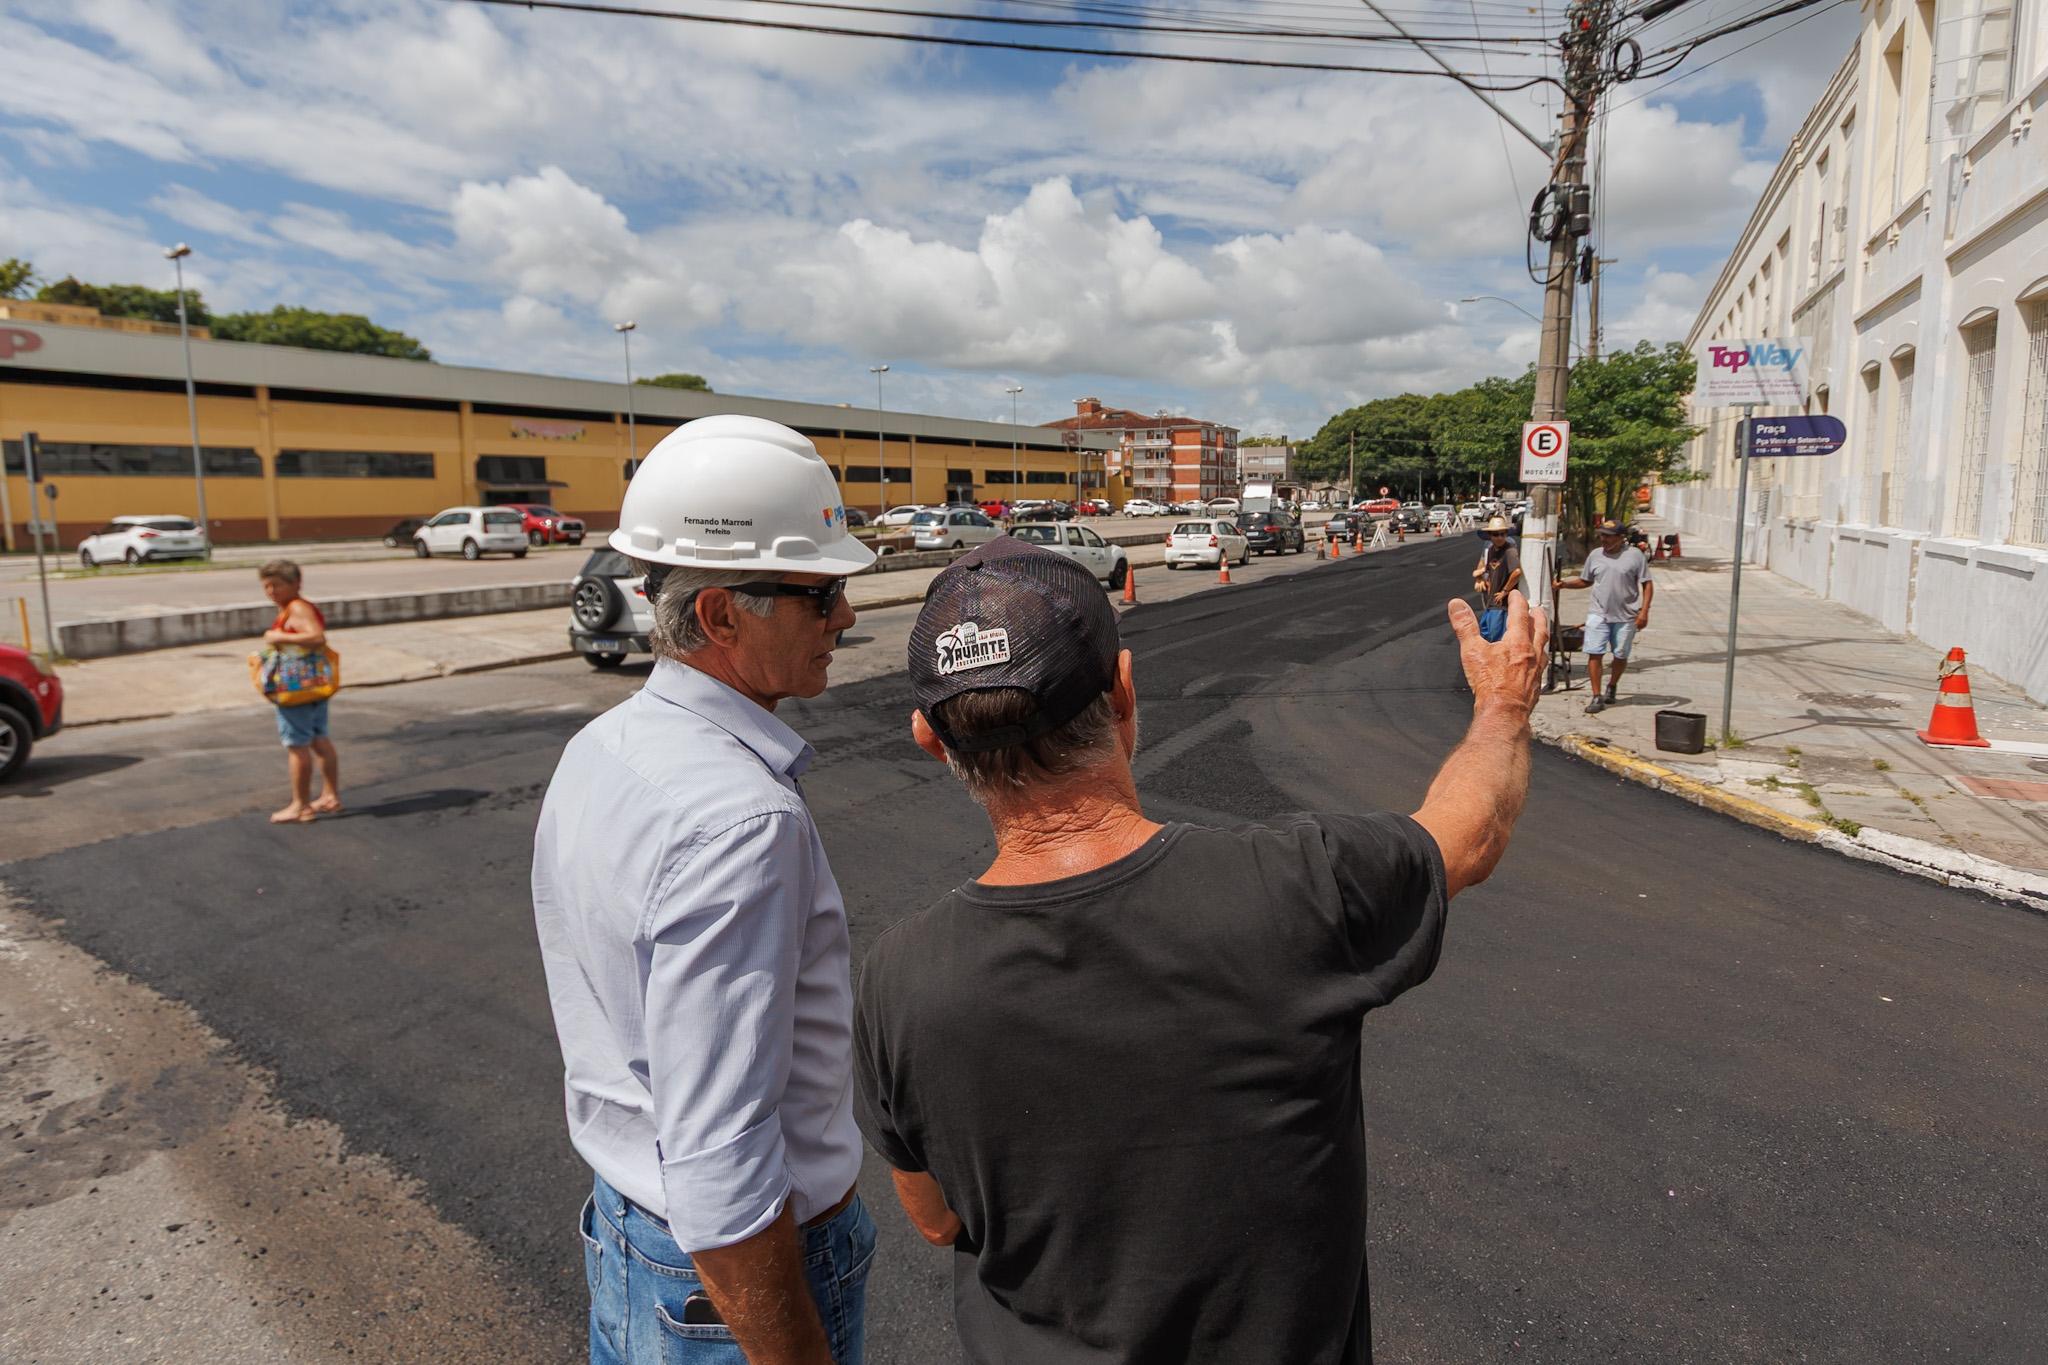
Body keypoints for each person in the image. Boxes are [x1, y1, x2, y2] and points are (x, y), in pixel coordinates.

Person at [852, 538, 1548, 1365]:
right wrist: (1502, 704)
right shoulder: (1296, 886)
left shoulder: (898, 981)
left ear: (931, 739)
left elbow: (935, 1219)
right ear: (1122, 691)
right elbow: (1469, 833)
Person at [532, 416, 880, 1365]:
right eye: (822, 594)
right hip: (731, 1277)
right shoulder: (740, 822)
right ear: (723, 614)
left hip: (631, 1227)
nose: (846, 617)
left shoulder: (602, 748)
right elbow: (723, 1163)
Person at [258, 560, 340, 824]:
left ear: (296, 584)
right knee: (319, 740)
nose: (271, 591)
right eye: (267, 586)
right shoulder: (296, 607)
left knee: (297, 746)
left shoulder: (297, 608)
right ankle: (329, 796)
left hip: (297, 689)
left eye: (277, 585)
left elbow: (316, 637)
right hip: (314, 686)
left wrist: (277, 637)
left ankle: (300, 806)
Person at [1554, 518, 1655, 714]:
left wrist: (1644, 611)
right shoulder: (1595, 555)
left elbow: (1647, 584)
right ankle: (1596, 695)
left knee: (1620, 654)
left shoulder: (1635, 556)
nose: (1604, 540)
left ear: (1620, 538)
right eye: (1602, 535)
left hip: (1626, 616)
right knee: (1595, 652)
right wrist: (1564, 584)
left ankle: (1612, 685)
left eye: (1609, 537)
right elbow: (1586, 581)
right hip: (1598, 614)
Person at [1471, 513, 1522, 614]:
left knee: (1498, 624)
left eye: (1502, 534)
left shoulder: (1510, 546)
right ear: (1490, 534)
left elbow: (1516, 570)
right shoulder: (1489, 547)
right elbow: (1483, 562)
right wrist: (1479, 578)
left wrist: (1505, 590)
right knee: (1488, 621)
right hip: (1489, 591)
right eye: (1495, 534)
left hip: (1502, 599)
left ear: (1506, 533)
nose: (1499, 537)